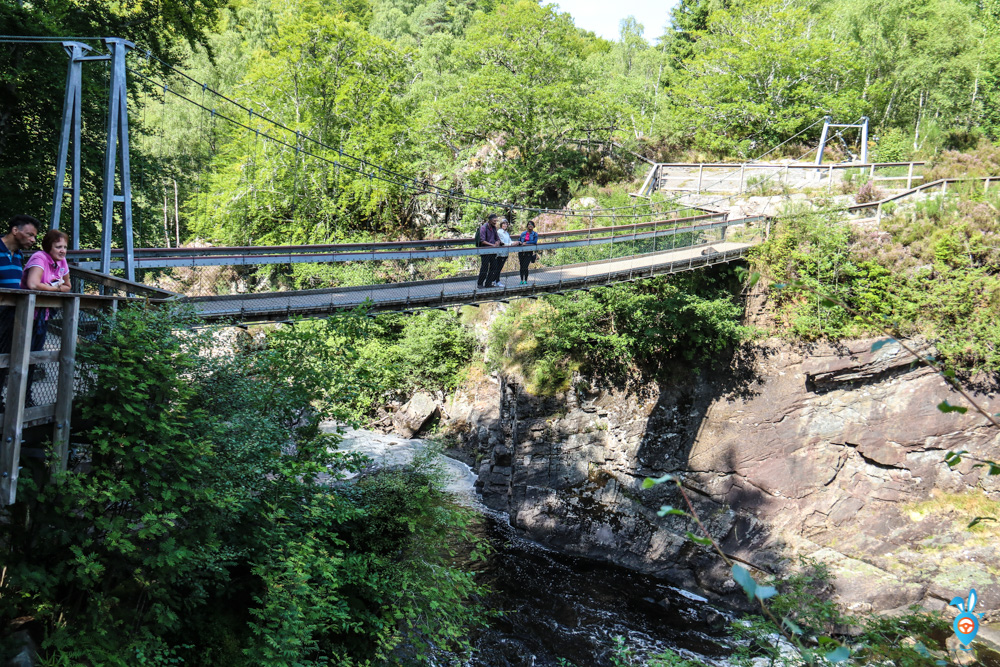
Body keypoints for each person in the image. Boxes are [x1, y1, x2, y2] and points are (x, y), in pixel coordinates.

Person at [21, 229, 71, 407]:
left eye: (65, 247)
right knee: (17, 357)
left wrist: (50, 287)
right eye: (58, 247)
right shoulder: (40, 258)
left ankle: (26, 398)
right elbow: (33, 284)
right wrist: (55, 288)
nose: (63, 250)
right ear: (48, 247)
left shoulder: (62, 261)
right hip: (23, 315)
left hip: (43, 317)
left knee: (33, 359)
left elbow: (68, 285)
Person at [0, 215, 39, 410]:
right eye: (29, 234)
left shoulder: (18, 256)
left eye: (34, 236)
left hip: (10, 316)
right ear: (15, 230)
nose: (33, 240)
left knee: (5, 358)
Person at [490, 218, 520, 287]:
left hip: (505, 253)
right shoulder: (499, 232)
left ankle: (497, 281)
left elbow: (509, 241)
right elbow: (502, 243)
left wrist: (516, 242)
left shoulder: (506, 233)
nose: (505, 225)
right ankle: (494, 281)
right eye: (503, 223)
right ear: (501, 224)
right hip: (500, 253)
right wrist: (512, 244)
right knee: (497, 268)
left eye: (506, 224)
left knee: (500, 268)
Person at [476, 213, 501, 288]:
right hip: (485, 251)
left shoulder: (494, 228)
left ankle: (488, 283)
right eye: (494, 220)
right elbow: (482, 240)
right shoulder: (483, 228)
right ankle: (480, 283)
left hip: (493, 251)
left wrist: (497, 242)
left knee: (494, 267)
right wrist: (492, 245)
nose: (495, 222)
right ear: (490, 220)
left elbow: (497, 238)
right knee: (484, 267)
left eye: (496, 221)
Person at [517, 220, 538, 285]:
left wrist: (527, 243)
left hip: (529, 252)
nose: (530, 225)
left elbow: (535, 242)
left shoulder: (535, 234)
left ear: (533, 226)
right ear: (527, 226)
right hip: (521, 252)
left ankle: (525, 280)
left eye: (531, 224)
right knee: (521, 266)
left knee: (525, 266)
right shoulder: (523, 233)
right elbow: (519, 240)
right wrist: (520, 243)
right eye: (529, 224)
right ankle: (521, 280)